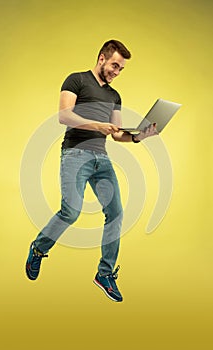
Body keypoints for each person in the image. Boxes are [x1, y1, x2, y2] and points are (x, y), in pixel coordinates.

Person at [25, 39, 158, 302]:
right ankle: (38, 249)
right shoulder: (76, 80)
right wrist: (98, 125)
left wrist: (139, 136)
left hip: (101, 160)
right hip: (75, 153)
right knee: (71, 211)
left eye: (121, 69)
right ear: (102, 58)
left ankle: (105, 273)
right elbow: (64, 116)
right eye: (115, 66)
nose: (116, 72)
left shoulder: (114, 96)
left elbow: (117, 133)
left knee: (116, 213)